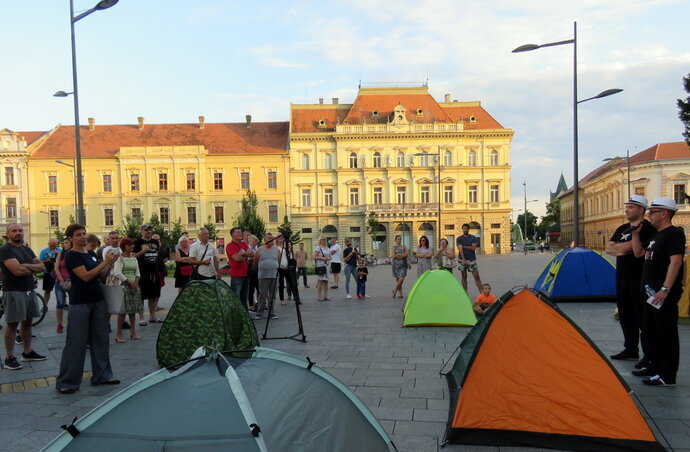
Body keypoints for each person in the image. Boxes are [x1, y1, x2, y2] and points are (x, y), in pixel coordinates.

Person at [56, 223, 120, 393]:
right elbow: (85, 276)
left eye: (84, 233)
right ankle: (67, 382)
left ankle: (102, 375)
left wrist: (110, 264)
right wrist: (104, 262)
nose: (83, 237)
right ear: (70, 238)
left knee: (101, 339)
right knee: (76, 342)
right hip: (80, 302)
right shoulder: (71, 256)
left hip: (98, 300)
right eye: (78, 234)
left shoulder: (91, 254)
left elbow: (100, 276)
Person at [631, 197, 685, 387]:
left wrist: (665, 289)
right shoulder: (655, 235)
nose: (649, 215)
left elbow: (676, 261)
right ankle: (654, 367)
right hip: (649, 293)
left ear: (665, 213)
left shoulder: (674, 233)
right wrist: (636, 235)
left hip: (662, 294)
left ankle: (668, 375)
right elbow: (638, 253)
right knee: (650, 332)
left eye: (653, 212)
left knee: (666, 333)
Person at [605, 195, 653, 362]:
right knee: (625, 316)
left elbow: (636, 249)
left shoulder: (647, 228)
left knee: (642, 318)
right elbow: (608, 249)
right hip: (622, 279)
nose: (626, 209)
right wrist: (626, 248)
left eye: (631, 207)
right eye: (626, 207)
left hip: (639, 279)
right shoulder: (622, 228)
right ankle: (630, 349)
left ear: (641, 209)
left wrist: (623, 248)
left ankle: (649, 355)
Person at [0, 223, 47, 370]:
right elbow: (17, 271)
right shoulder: (5, 250)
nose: (18, 233)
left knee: (27, 322)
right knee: (13, 324)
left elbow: (42, 268)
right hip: (13, 291)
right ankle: (10, 357)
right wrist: (30, 268)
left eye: (20, 230)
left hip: (29, 290)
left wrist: (24, 266)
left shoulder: (27, 249)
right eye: (14, 231)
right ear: (8, 234)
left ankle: (27, 352)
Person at [111, 238, 143, 343]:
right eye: (129, 245)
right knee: (123, 311)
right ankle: (118, 334)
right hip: (124, 286)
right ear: (124, 246)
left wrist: (136, 284)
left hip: (134, 285)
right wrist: (130, 283)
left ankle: (133, 332)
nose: (131, 246)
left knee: (133, 310)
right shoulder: (119, 259)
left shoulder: (134, 258)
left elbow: (137, 273)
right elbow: (117, 273)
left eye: (132, 244)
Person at [133, 224, 163, 324]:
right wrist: (143, 251)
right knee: (141, 295)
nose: (148, 231)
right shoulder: (137, 242)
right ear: (141, 231)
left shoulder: (155, 242)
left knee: (153, 295)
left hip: (154, 271)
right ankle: (141, 318)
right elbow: (133, 257)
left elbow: (157, 255)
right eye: (146, 230)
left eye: (150, 229)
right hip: (142, 272)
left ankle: (152, 317)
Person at [226, 227, 253, 309]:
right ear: (232, 235)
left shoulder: (243, 244)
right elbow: (237, 259)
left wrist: (242, 254)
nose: (240, 233)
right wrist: (245, 255)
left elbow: (251, 253)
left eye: (240, 232)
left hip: (245, 273)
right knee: (236, 296)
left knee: (244, 296)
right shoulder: (230, 245)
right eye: (237, 232)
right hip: (236, 275)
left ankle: (245, 313)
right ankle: (237, 314)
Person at [253, 233, 279, 320]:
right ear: (264, 240)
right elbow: (255, 262)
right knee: (263, 294)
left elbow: (277, 260)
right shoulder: (259, 250)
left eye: (272, 238)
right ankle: (259, 312)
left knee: (273, 295)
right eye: (269, 238)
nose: (271, 239)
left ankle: (271, 312)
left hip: (274, 276)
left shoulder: (276, 250)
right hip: (263, 276)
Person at [457, 224, 483, 295]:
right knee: (464, 277)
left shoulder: (473, 238)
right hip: (462, 260)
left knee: (476, 277)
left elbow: (473, 248)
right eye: (464, 228)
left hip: (472, 260)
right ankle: (465, 293)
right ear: (462, 229)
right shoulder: (459, 238)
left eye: (466, 228)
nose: (465, 230)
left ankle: (482, 293)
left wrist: (463, 246)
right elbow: (460, 250)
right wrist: (464, 259)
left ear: (469, 229)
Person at [53, 238, 72, 334]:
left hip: (71, 282)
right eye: (64, 243)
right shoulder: (61, 254)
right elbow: (56, 268)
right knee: (60, 303)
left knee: (73, 303)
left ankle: (73, 323)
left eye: (67, 243)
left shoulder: (74, 253)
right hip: (60, 281)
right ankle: (59, 324)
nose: (65, 245)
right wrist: (60, 280)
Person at [39, 238, 60, 308]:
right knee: (47, 290)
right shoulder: (44, 251)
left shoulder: (60, 251)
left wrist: (58, 254)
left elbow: (65, 260)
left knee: (62, 289)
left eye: (54, 246)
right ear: (48, 244)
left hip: (59, 273)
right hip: (48, 272)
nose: (52, 247)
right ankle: (45, 305)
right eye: (51, 246)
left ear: (57, 245)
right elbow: (40, 262)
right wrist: (46, 260)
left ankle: (64, 303)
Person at [275, 235, 292, 304]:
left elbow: (289, 256)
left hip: (286, 266)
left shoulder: (286, 247)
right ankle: (282, 299)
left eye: (282, 238)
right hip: (280, 267)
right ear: (276, 239)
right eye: (279, 238)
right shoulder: (275, 248)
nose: (281, 239)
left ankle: (296, 297)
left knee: (291, 283)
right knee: (281, 284)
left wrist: (289, 251)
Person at [314, 236, 331, 301]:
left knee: (326, 281)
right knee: (320, 281)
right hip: (320, 266)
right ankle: (319, 296)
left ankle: (326, 296)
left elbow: (330, 256)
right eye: (323, 239)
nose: (324, 240)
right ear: (320, 240)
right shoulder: (318, 248)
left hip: (326, 266)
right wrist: (323, 258)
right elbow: (315, 257)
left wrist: (329, 258)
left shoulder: (327, 248)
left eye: (325, 239)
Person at [246, 235, 260, 310]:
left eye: (255, 241)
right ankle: (251, 304)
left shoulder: (259, 249)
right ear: (249, 242)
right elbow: (246, 259)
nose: (254, 242)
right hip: (250, 270)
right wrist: (252, 258)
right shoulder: (248, 249)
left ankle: (260, 303)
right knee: (251, 288)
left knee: (259, 288)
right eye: (252, 241)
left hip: (258, 269)